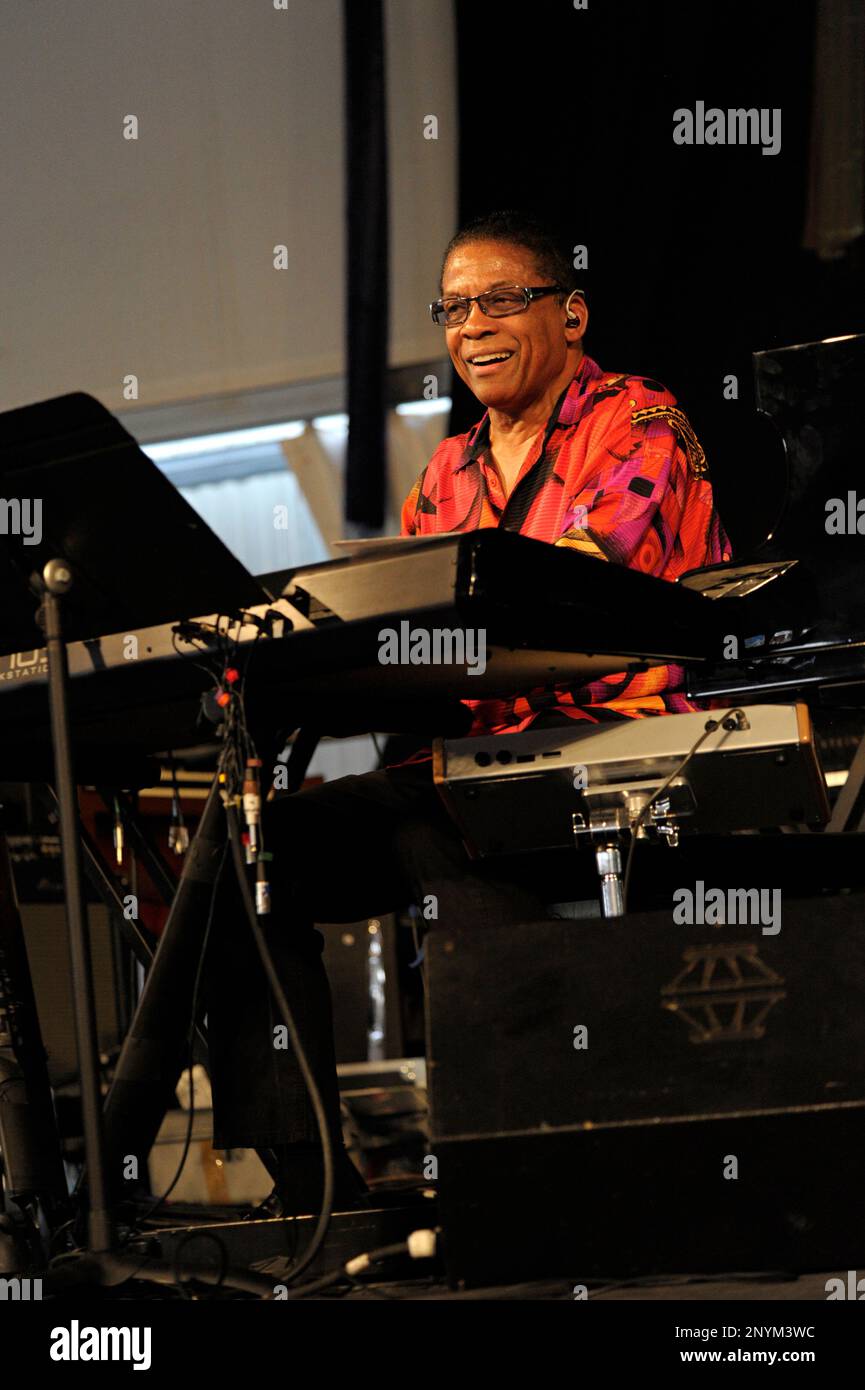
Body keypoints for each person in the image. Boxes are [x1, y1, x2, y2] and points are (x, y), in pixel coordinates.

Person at [203, 211, 731, 1214]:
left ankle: (525, 1181)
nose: (473, 325)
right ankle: (319, 1190)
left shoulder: (637, 420)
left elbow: (573, 587)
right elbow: (407, 633)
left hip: (613, 762)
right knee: (247, 861)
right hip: (463, 775)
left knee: (446, 844)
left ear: (569, 314)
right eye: (454, 307)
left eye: (500, 300)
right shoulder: (445, 473)